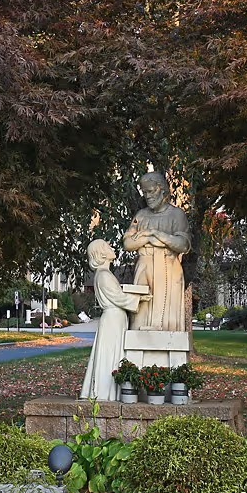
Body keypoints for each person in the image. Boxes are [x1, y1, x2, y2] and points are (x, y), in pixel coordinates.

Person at [123, 171, 191, 331]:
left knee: (168, 324)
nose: (147, 196)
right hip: (144, 267)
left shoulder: (176, 214)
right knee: (140, 318)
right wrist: (148, 237)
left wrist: (156, 234)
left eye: (151, 191)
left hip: (168, 269)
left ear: (162, 189)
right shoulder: (141, 215)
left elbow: (182, 244)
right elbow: (127, 243)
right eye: (144, 192)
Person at [79, 239, 144, 400]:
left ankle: (109, 392)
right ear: (101, 253)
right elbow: (118, 298)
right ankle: (104, 392)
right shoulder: (103, 275)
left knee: (114, 354)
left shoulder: (104, 274)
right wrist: (140, 299)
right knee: (110, 354)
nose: (112, 246)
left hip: (116, 318)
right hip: (113, 318)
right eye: (108, 246)